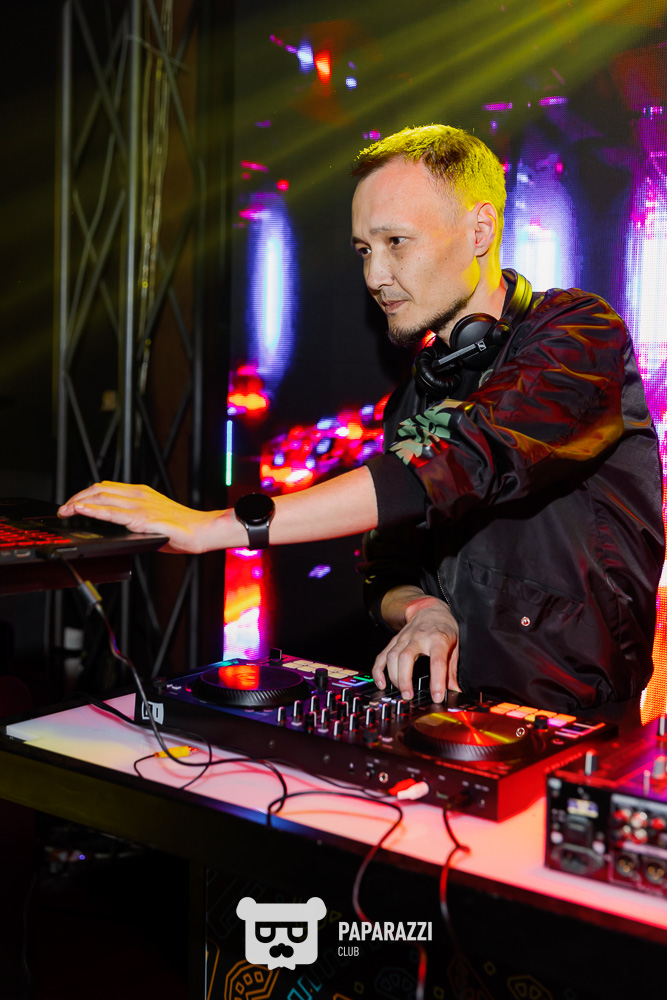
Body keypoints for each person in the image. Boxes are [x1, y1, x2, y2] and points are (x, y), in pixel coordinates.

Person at [59, 124, 664, 720]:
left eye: (396, 242)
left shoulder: (580, 336)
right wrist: (421, 610)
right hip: (439, 719)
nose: (375, 276)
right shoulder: (414, 399)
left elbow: (468, 454)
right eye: (364, 251)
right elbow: (386, 569)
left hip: (574, 728)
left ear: (480, 230)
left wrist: (215, 526)